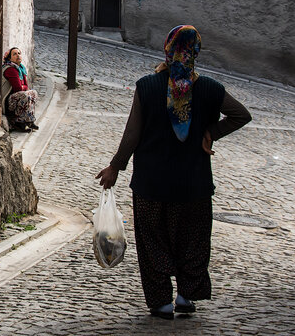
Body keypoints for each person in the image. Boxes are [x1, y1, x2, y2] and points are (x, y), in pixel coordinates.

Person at [94, 25, 250, 320]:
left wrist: (115, 166)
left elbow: (132, 135)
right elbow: (241, 114)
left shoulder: (148, 86)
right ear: (196, 51)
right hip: (194, 186)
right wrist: (211, 132)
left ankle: (161, 302)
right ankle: (185, 296)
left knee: (153, 240)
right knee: (192, 241)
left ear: (167, 48)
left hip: (151, 184)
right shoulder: (210, 89)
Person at [1, 47, 39, 132]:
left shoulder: (21, 68)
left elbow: (25, 86)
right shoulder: (10, 69)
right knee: (25, 95)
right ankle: (19, 122)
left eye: (19, 53)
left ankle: (30, 121)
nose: (18, 55)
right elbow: (17, 88)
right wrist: (23, 87)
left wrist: (23, 87)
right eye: (14, 54)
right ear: (10, 58)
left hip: (16, 96)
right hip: (7, 101)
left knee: (33, 93)